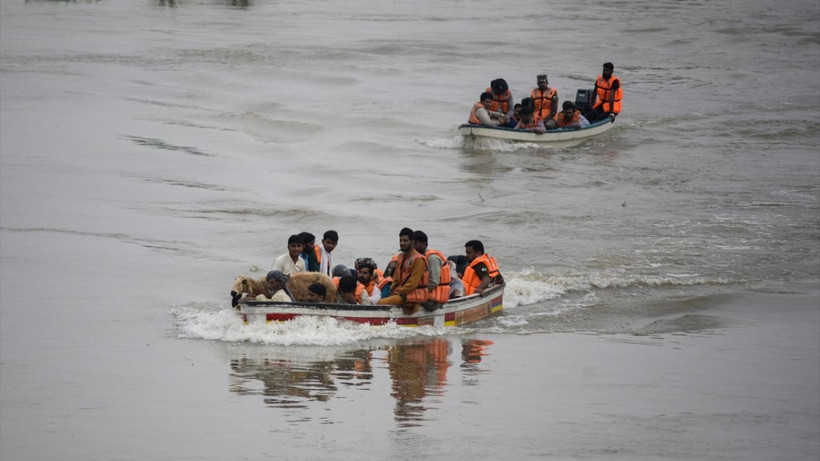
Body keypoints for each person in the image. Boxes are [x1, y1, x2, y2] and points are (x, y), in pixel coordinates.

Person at [378, 228, 429, 315]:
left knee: (380, 303)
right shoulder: (401, 257)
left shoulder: (418, 259)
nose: (402, 243)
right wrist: (392, 292)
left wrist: (398, 292)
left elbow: (413, 283)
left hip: (411, 296)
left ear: (412, 242)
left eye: (405, 240)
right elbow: (396, 279)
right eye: (401, 240)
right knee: (381, 299)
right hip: (402, 294)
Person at [412, 230, 452, 312]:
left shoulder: (431, 258)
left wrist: (417, 293)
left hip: (434, 301)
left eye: (415, 244)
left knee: (405, 298)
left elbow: (434, 282)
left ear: (424, 244)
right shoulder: (418, 257)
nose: (412, 247)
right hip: (427, 296)